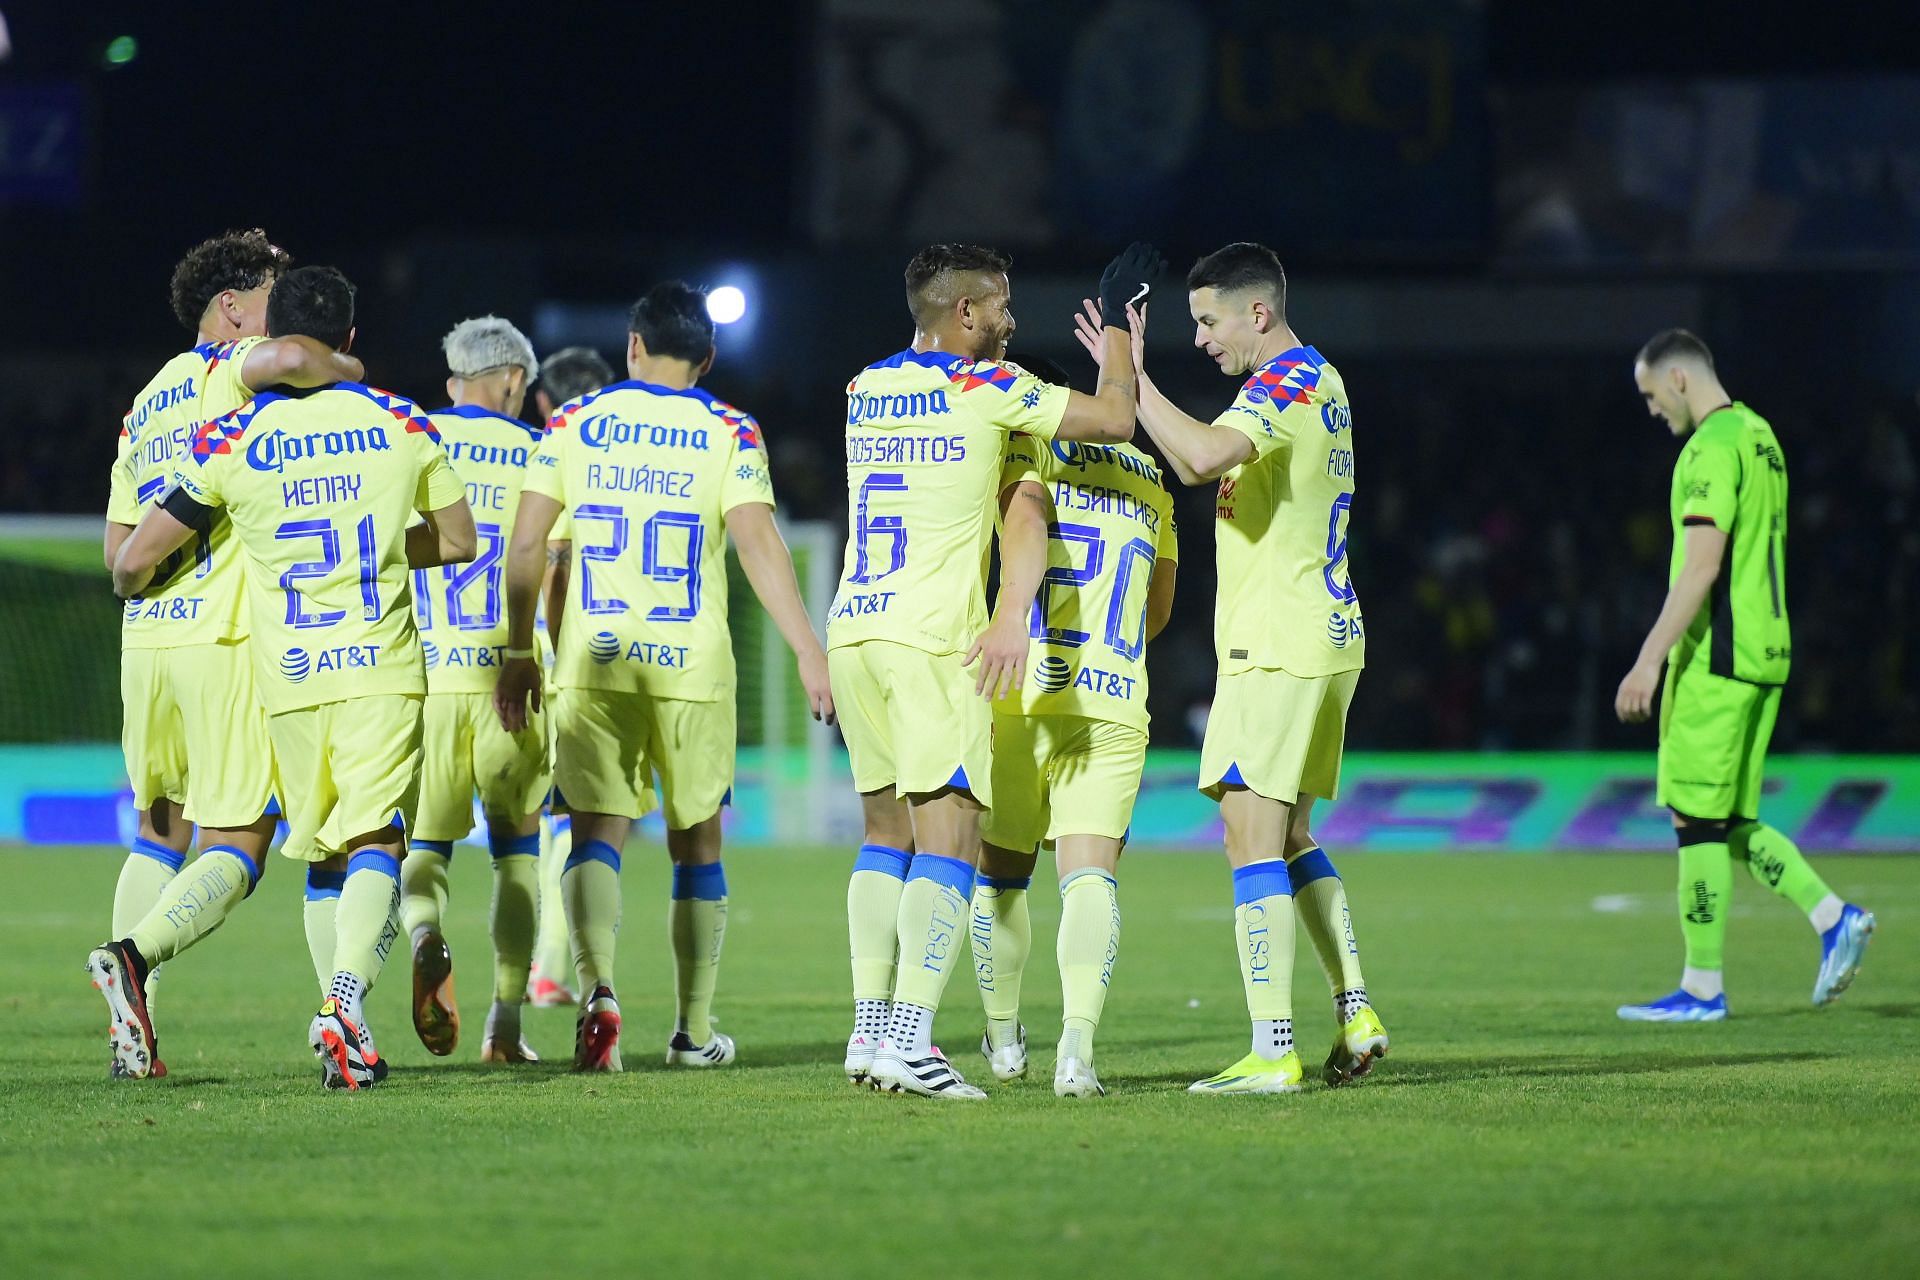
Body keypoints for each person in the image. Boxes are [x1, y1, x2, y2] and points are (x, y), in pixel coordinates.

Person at [108, 266, 476, 1089]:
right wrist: (383, 547)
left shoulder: (218, 435)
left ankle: (137, 960)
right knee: (370, 842)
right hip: (370, 666)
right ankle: (341, 1005)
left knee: (187, 832)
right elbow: (458, 541)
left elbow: (128, 560)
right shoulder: (398, 419)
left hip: (281, 675)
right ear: (344, 341)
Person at [495, 281, 833, 1073]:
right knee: (697, 845)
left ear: (633, 346)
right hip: (692, 667)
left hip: (595, 660)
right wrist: (807, 649)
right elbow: (758, 544)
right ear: (708, 359)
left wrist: (518, 653)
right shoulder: (729, 429)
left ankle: (599, 991)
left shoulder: (573, 423)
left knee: (594, 837)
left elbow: (528, 547)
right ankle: (691, 1030)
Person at [834, 242, 1146, 1100]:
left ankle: (870, 1031)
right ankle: (910, 1041)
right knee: (955, 837)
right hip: (935, 636)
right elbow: (1115, 419)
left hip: (856, 626)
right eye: (1001, 308)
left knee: (884, 835)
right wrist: (1120, 327)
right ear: (965, 313)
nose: (1012, 323)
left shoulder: (865, 387)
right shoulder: (990, 388)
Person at [1096, 241, 1388, 1094]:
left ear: (1258, 313)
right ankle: (1355, 1010)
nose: (1201, 340)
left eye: (1208, 321)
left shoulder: (1284, 384)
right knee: (1289, 834)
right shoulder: (1317, 382)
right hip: (1320, 636)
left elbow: (1195, 459)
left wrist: (1129, 371)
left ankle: (1273, 1048)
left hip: (1280, 644)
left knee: (1246, 835)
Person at [90, 231, 363, 1079]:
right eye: (271, 299)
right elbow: (291, 359)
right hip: (223, 637)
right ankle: (132, 958)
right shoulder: (220, 371)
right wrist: (346, 370)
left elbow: (116, 553)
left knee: (158, 830)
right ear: (234, 308)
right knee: (242, 841)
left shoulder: (145, 401)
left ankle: (128, 1030)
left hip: (148, 644)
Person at [1614, 329, 1873, 1021]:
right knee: (1728, 819)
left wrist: (1648, 659)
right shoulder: (1762, 437)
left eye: (1649, 396)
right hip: (1766, 652)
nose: (1652, 412)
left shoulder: (1711, 448)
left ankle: (1702, 989)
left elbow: (1702, 566)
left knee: (1693, 818)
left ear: (1677, 379)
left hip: (1718, 658)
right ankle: (1831, 917)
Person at [966, 352, 1179, 1098]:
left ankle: (999, 1038)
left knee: (1000, 876)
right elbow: (1157, 609)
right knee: (1090, 874)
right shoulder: (1152, 478)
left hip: (1016, 689)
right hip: (1113, 696)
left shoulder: (1023, 449)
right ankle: (1077, 1052)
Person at [399, 317, 549, 1063]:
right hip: (509, 678)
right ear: (515, 379)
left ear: (454, 378)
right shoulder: (535, 450)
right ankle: (506, 1026)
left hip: (423, 680)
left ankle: (425, 936)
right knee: (518, 850)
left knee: (423, 847)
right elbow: (554, 566)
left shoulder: (409, 438)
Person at [525, 345, 615, 1009]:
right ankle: (549, 968)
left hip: (494, 663)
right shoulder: (582, 464)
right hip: (561, 669)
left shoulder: (532, 458)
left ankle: (534, 971)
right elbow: (556, 570)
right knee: (574, 826)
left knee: (533, 828)